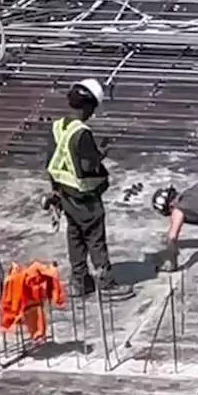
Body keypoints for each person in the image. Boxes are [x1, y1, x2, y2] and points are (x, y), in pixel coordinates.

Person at [44, 78, 134, 300]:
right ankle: (106, 284)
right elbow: (87, 165)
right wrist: (100, 153)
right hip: (85, 195)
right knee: (95, 237)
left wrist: (55, 191)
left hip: (65, 194)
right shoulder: (82, 132)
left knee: (74, 235)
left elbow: (52, 160)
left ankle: (80, 282)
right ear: (88, 106)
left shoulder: (57, 126)